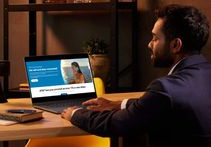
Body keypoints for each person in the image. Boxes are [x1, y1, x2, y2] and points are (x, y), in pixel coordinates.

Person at [61, 4, 211, 147]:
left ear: (175, 45)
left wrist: (74, 113)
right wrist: (120, 104)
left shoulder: (165, 89)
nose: (149, 44)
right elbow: (163, 104)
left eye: (155, 38)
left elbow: (115, 124)